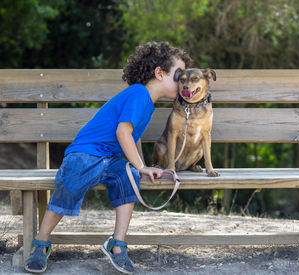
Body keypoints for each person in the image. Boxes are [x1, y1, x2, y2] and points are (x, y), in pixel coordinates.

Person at [24, 41, 192, 274]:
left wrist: (142, 167)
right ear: (159, 73)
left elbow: (133, 136)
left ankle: (117, 243)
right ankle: (40, 243)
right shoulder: (139, 94)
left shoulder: (147, 102)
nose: (183, 81)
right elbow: (122, 132)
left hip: (109, 159)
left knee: (128, 177)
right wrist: (142, 166)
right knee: (70, 182)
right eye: (179, 75)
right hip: (86, 152)